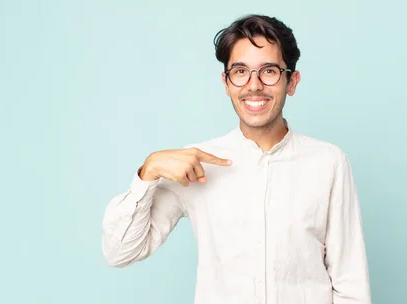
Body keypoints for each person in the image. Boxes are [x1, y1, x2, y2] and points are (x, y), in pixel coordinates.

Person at [101, 14, 371, 304]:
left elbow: (350, 281)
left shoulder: (329, 162)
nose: (254, 85)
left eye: (269, 71)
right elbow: (119, 252)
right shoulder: (196, 163)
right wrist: (148, 171)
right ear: (226, 82)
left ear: (292, 81)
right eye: (240, 72)